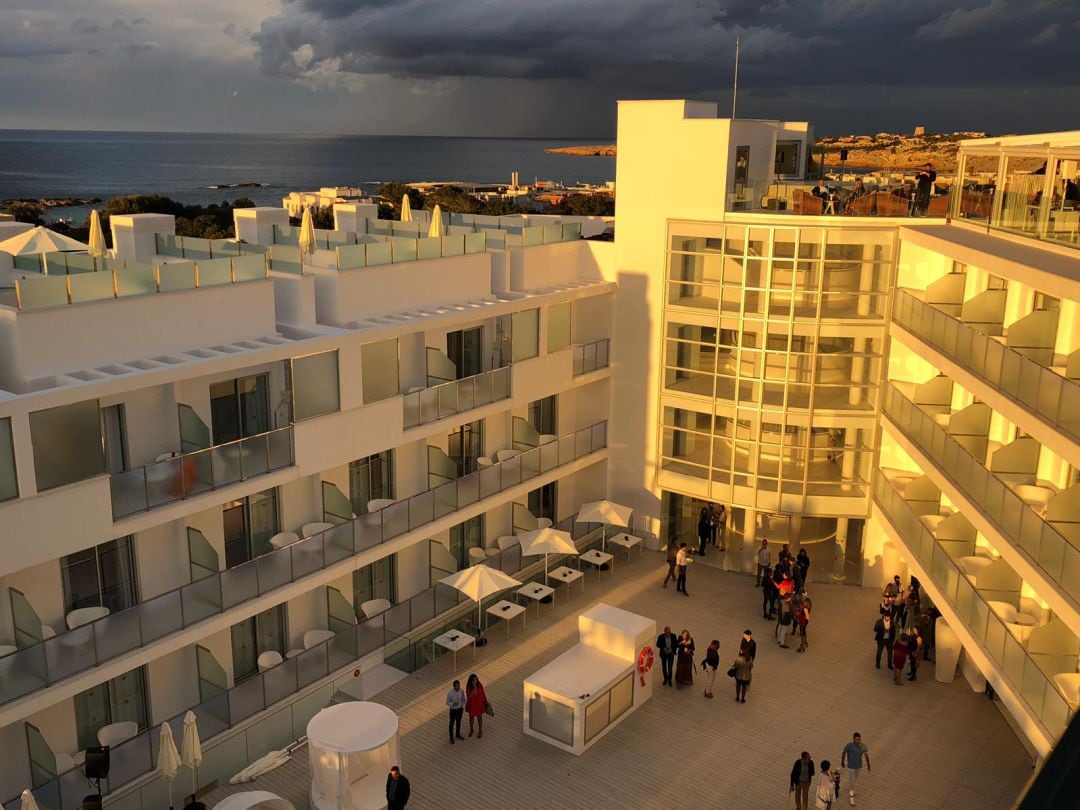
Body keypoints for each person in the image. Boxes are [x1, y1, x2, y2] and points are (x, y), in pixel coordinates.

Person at [840, 732, 871, 806]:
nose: (858, 741)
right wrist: (842, 761)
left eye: (859, 740)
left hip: (858, 766)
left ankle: (851, 787)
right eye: (857, 740)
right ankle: (851, 796)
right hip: (851, 766)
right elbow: (844, 752)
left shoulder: (863, 746)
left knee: (854, 779)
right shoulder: (849, 746)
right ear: (853, 739)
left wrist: (868, 765)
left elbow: (866, 755)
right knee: (852, 780)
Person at [465, 673, 487, 738]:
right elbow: (468, 697)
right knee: (471, 718)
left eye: (476, 679)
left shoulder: (479, 685)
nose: (475, 681)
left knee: (479, 718)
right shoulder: (468, 687)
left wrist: (485, 700)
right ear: (471, 681)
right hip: (472, 705)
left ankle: (480, 730)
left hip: (479, 704)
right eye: (473, 680)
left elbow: (483, 693)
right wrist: (473, 691)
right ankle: (471, 729)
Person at [446, 679, 466, 743]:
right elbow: (447, 702)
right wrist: (453, 704)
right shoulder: (450, 693)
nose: (459, 687)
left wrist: (463, 707)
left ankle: (458, 734)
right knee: (451, 723)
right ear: (454, 686)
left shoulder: (461, 691)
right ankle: (451, 737)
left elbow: (464, 699)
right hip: (453, 710)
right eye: (457, 686)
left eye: (459, 685)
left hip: (460, 710)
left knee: (458, 722)